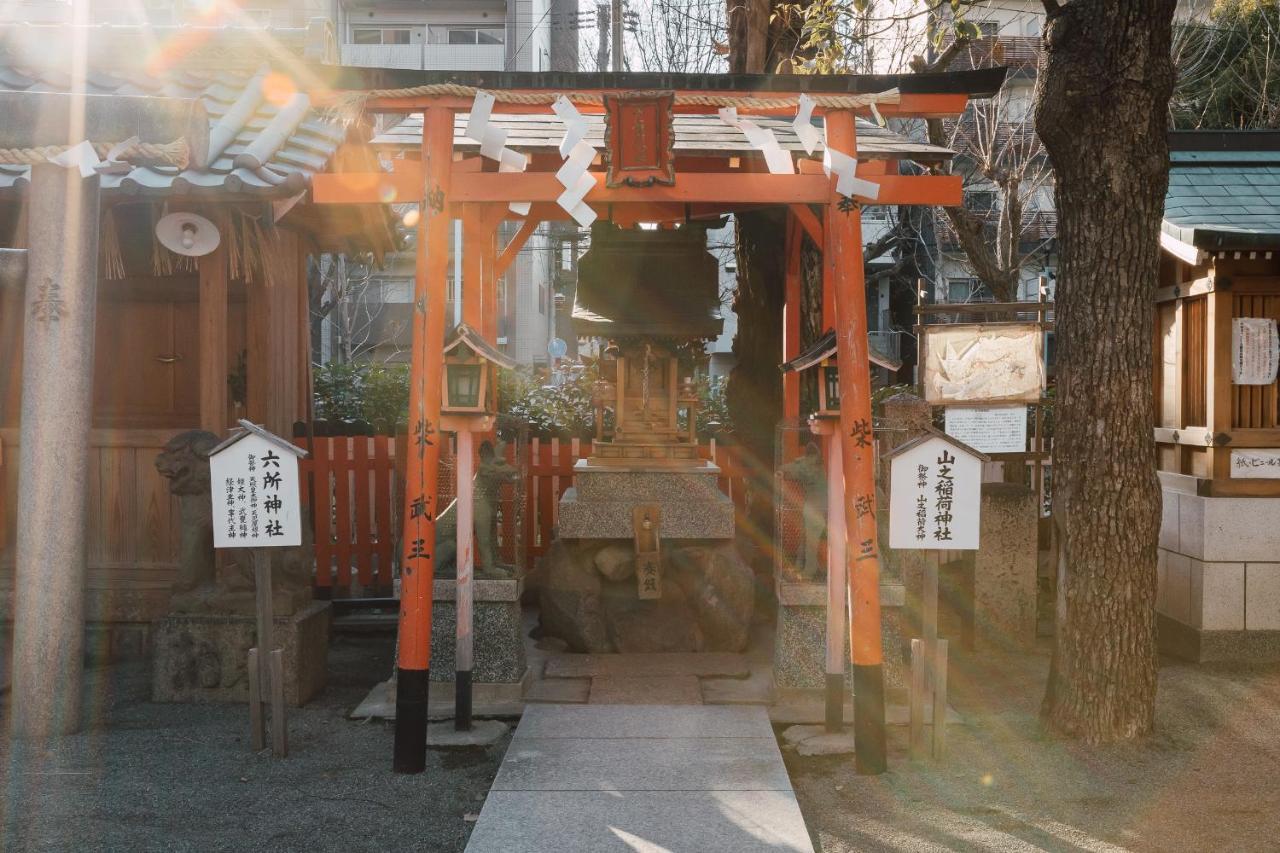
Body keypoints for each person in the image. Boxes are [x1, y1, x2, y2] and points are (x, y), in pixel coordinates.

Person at [780, 442, 827, 579]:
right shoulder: (819, 466)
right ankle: (802, 566)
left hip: (814, 508)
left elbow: (793, 470)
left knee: (810, 540)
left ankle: (808, 571)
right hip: (822, 507)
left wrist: (782, 472)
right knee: (808, 539)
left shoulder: (807, 465)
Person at [474, 440, 518, 578]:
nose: (508, 468)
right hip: (445, 547)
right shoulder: (478, 500)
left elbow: (492, 536)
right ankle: (489, 567)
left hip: (487, 499)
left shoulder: (486, 500)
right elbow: (483, 539)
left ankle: (496, 562)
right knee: (485, 536)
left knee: (491, 532)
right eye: (500, 464)